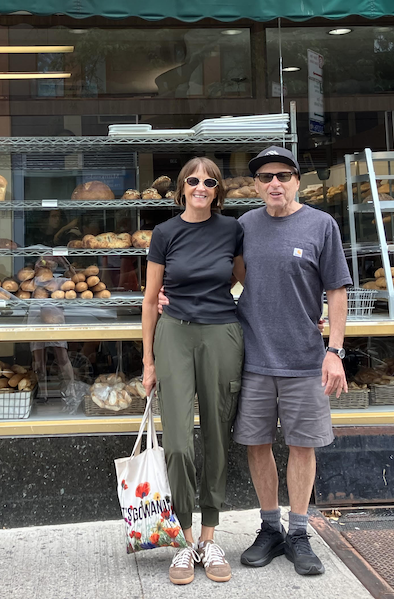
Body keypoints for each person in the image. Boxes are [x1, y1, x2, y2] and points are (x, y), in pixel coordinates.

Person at [233, 145, 351, 577]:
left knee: (303, 446)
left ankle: (298, 533)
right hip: (254, 359)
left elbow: (337, 290)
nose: (274, 183)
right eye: (265, 177)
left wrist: (334, 352)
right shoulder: (244, 225)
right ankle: (270, 528)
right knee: (257, 444)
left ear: (298, 180)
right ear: (257, 185)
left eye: (283, 175)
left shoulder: (321, 225)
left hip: (304, 360)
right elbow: (227, 278)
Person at [141, 157, 244, 586]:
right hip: (175, 336)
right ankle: (183, 543)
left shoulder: (233, 229)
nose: (201, 186)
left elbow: (246, 282)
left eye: (209, 181)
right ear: (182, 188)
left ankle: (209, 537)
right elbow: (149, 300)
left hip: (221, 334)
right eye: (193, 180)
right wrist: (147, 361)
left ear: (217, 191)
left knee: (218, 433)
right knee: (179, 442)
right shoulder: (165, 233)